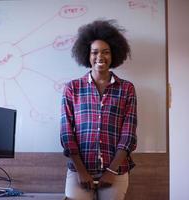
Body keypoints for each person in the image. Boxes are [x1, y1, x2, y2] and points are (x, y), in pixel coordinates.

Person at [60, 19, 137, 200]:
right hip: (79, 170)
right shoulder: (73, 88)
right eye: (95, 52)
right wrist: (81, 171)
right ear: (87, 55)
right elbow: (66, 133)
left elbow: (129, 133)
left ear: (114, 55)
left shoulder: (127, 89)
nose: (100, 57)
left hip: (115, 171)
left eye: (106, 52)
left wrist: (111, 171)